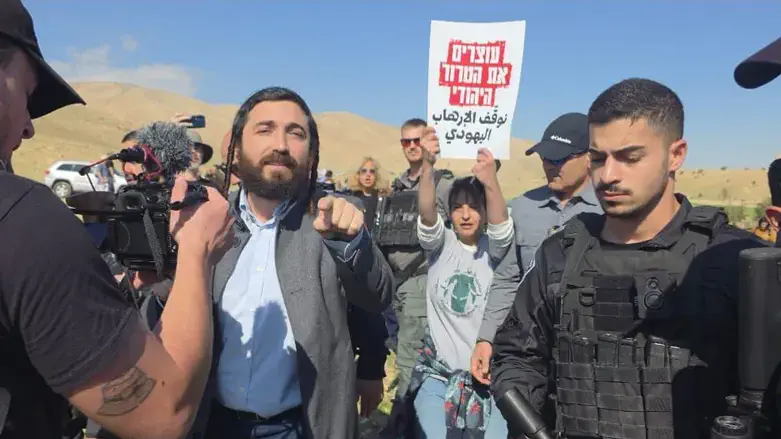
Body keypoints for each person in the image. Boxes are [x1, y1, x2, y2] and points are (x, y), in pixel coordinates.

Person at [0, 3, 235, 439]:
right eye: (28, 96)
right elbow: (164, 414)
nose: (30, 127)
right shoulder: (24, 220)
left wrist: (121, 293)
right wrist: (197, 248)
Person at [490, 78, 768, 439]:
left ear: (676, 154)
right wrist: (532, 423)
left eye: (629, 157)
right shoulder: (561, 254)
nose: (608, 175)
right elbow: (515, 355)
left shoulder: (731, 260)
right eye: (597, 158)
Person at [192, 86, 393, 439]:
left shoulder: (332, 219)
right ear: (235, 150)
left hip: (299, 426)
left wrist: (350, 244)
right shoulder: (209, 220)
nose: (281, 145)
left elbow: (376, 299)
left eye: (295, 133)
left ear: (311, 153)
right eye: (265, 129)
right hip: (211, 422)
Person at [470, 112, 603, 387]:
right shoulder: (523, 207)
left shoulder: (609, 210)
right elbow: (508, 278)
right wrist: (486, 337)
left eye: (560, 158)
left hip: (593, 353)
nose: (551, 166)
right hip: (529, 351)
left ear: (589, 157)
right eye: (546, 158)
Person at [404, 133, 512, 438]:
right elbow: (426, 215)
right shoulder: (440, 246)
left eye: (473, 206)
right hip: (439, 376)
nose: (465, 214)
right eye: (458, 207)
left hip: (488, 379)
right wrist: (427, 167)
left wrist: (490, 180)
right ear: (449, 212)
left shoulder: (495, 249)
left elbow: (503, 227)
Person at [377, 118, 455, 401]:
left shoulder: (444, 184)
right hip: (394, 281)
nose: (411, 146)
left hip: (424, 277)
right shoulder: (396, 186)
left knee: (411, 355)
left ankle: (405, 420)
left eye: (417, 140)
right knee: (402, 349)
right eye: (405, 141)